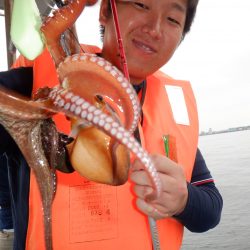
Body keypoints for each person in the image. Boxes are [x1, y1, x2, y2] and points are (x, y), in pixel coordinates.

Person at [1, 0, 223, 249]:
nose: (155, 29)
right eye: (141, 5)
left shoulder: (172, 111)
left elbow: (211, 209)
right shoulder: (29, 87)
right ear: (106, 11)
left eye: (173, 19)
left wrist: (184, 199)